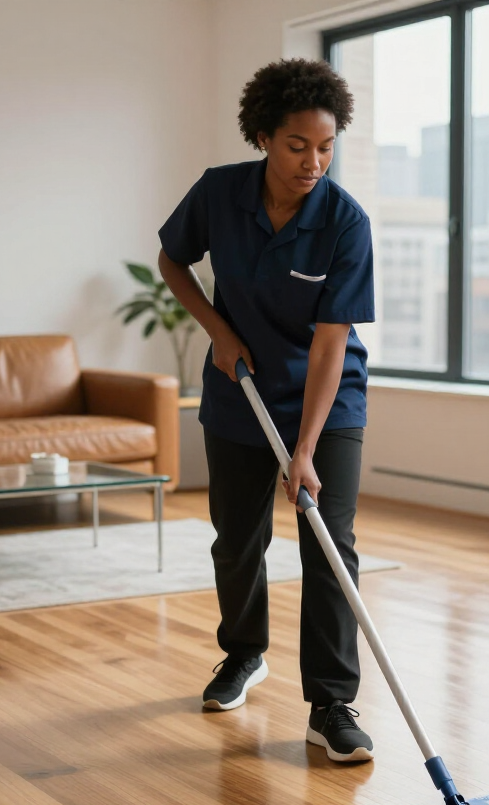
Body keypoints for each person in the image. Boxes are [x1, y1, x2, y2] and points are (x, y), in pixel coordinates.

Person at [157, 58, 375, 763]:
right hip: (238, 390)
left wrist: (306, 450)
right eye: (297, 145)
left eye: (326, 146)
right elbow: (172, 260)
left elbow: (329, 345)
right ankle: (244, 654)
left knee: (328, 544)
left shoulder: (345, 222)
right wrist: (215, 330)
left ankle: (332, 704)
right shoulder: (220, 194)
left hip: (325, 399)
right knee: (237, 539)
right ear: (262, 136)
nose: (313, 161)